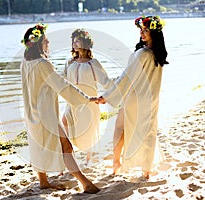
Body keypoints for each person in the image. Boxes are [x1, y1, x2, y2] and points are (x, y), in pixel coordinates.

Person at [20, 23, 100, 193]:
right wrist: (87, 98)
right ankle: (85, 183)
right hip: (45, 115)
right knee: (66, 146)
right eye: (46, 41)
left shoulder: (25, 62)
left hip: (30, 112)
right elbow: (62, 86)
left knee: (37, 145)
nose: (48, 44)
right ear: (38, 43)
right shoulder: (42, 63)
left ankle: (43, 181)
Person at [99, 16, 169, 179]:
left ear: (154, 33)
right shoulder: (158, 55)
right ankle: (147, 168)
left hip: (135, 98)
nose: (142, 33)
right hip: (151, 99)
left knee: (120, 129)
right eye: (141, 30)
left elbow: (126, 77)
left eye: (146, 30)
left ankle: (117, 162)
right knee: (149, 131)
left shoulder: (142, 53)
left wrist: (107, 96)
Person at [62, 29, 114, 165]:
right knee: (65, 121)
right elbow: (63, 81)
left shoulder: (93, 63)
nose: (74, 43)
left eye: (77, 40)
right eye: (73, 40)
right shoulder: (69, 62)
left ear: (85, 43)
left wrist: (119, 86)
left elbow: (106, 82)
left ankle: (88, 158)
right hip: (73, 102)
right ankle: (69, 152)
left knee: (89, 131)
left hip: (90, 103)